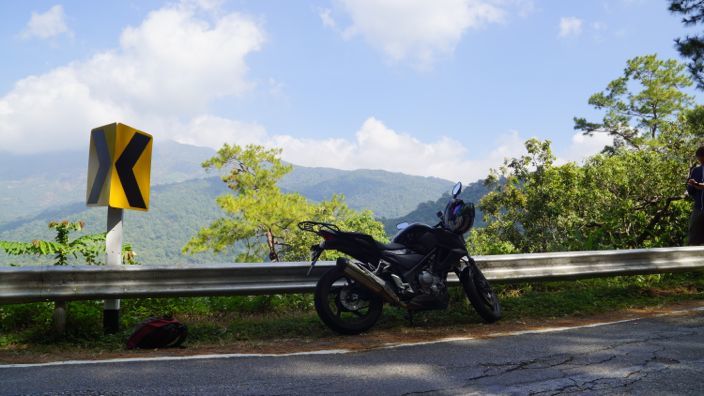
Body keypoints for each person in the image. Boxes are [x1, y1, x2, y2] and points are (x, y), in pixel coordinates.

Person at [687, 146, 704, 245]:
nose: (701, 162)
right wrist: (691, 185)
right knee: (693, 236)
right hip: (698, 208)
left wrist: (697, 184)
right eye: (700, 160)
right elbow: (690, 189)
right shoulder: (696, 170)